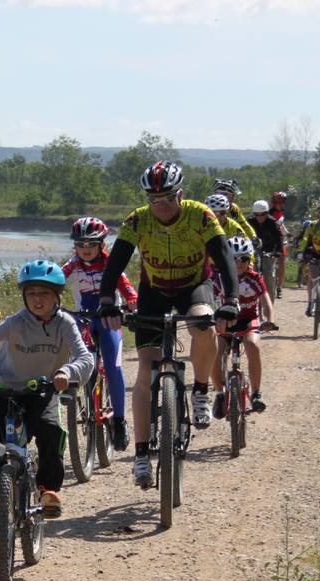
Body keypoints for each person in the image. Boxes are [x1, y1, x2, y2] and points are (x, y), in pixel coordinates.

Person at [98, 160, 240, 489]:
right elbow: (116, 261)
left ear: (181, 194)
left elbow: (223, 256)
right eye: (154, 199)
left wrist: (231, 299)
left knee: (203, 325)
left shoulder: (200, 215)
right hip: (154, 291)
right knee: (146, 372)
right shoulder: (138, 220)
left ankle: (201, 391)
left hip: (194, 285)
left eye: (167, 198)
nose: (160, 206)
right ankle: (142, 456)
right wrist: (107, 300)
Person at [0, 260, 93, 523]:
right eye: (32, 293)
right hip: (6, 391)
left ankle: (48, 490)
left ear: (57, 296)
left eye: (44, 294)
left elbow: (85, 358)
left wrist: (66, 373)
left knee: (51, 430)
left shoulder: (65, 324)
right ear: (24, 296)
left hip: (42, 391)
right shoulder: (14, 323)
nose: (37, 300)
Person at [62, 216, 136, 452]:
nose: (85, 250)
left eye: (90, 245)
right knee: (76, 353)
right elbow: (54, 282)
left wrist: (133, 300)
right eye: (80, 244)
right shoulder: (72, 264)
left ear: (101, 244)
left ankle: (120, 421)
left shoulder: (110, 263)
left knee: (113, 369)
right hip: (83, 317)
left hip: (108, 318)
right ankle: (72, 388)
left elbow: (125, 286)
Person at [211, 236, 275, 415]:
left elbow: (266, 301)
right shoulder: (219, 278)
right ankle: (219, 393)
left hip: (248, 321)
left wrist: (268, 320)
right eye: (234, 259)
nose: (239, 263)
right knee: (215, 352)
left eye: (244, 259)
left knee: (252, 345)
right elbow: (210, 300)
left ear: (250, 259)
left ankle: (255, 394)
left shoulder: (255, 278)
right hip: (225, 322)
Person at [247, 199, 286, 297]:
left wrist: (278, 251)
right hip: (253, 252)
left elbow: (279, 238)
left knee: (269, 277)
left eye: (263, 214)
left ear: (267, 213)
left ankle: (270, 305)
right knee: (249, 274)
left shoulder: (272, 222)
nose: (260, 217)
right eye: (257, 214)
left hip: (269, 252)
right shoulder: (249, 222)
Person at [267, 191, 290, 294]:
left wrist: (287, 233)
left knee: (282, 261)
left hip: (280, 239)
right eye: (277, 202)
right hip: (270, 240)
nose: (280, 204)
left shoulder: (281, 212)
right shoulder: (269, 213)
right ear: (273, 202)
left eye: (282, 202)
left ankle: (279, 286)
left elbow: (281, 225)